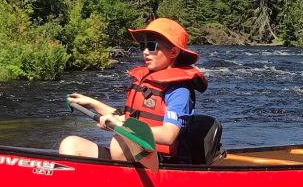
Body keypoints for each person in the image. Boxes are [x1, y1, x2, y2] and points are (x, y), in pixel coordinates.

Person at [60, 18, 208, 162]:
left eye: (152, 46)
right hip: (133, 155)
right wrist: (92, 104)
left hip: (160, 162)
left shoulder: (179, 90)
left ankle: (118, 184)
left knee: (120, 142)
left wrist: (121, 126)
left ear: (174, 52)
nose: (145, 51)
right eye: (142, 46)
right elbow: (127, 119)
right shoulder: (146, 81)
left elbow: (168, 135)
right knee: (71, 144)